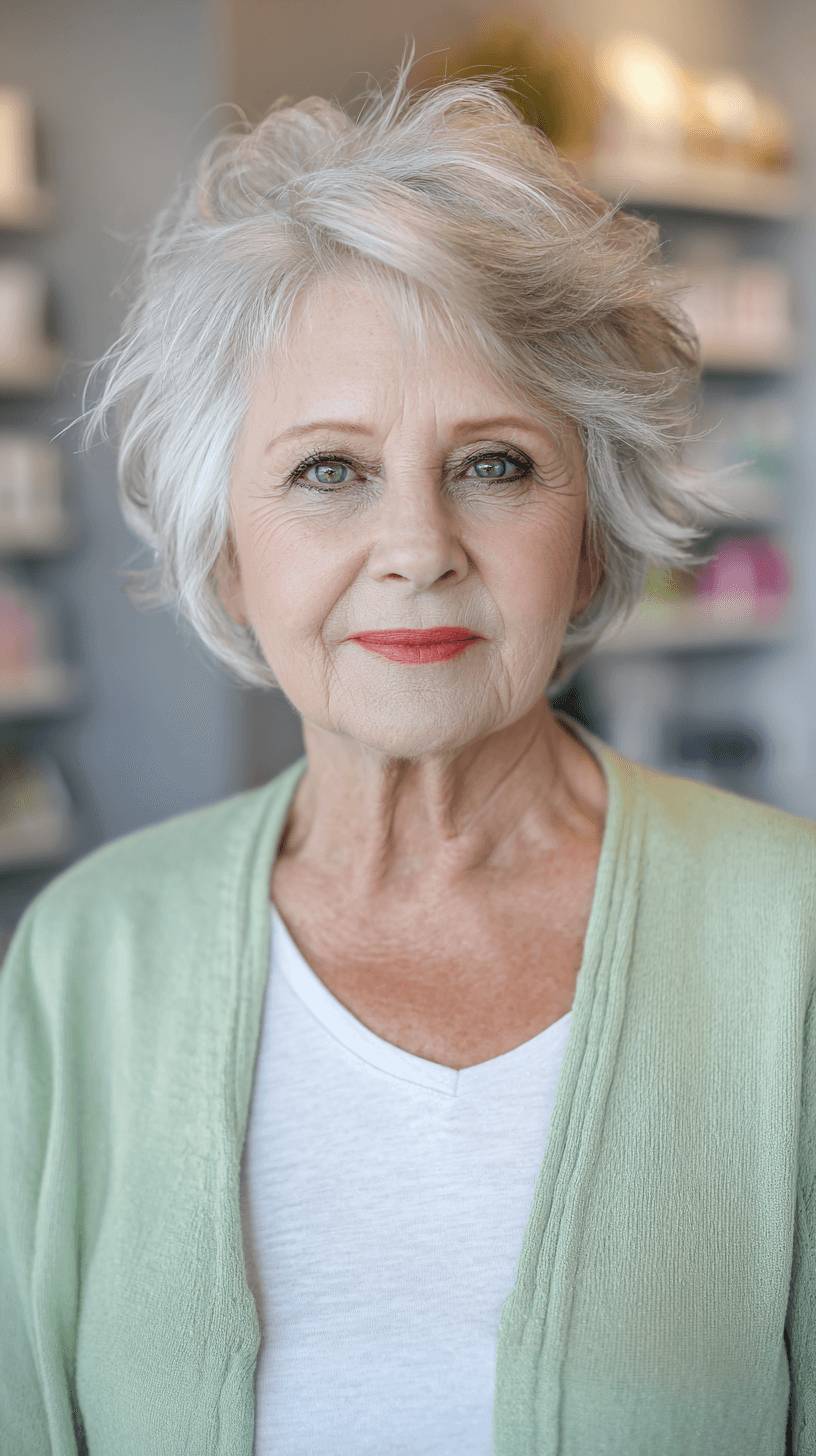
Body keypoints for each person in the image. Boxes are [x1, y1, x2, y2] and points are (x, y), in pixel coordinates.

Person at [2, 45, 816, 1456]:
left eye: (494, 463)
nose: (417, 551)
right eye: (330, 471)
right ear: (226, 547)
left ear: (590, 528)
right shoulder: (88, 962)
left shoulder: (791, 943)